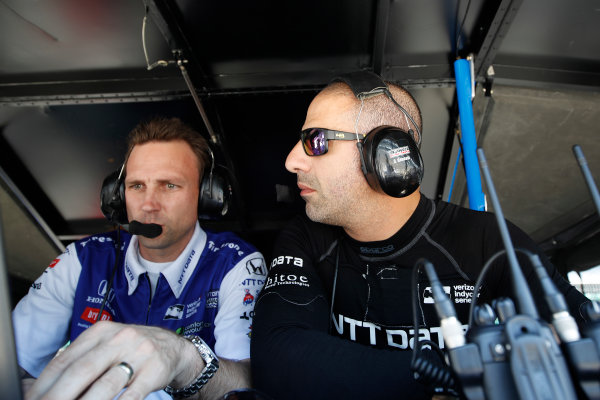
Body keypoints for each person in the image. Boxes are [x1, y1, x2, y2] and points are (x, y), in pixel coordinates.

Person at [250, 71, 590, 400]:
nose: (292, 160)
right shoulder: (306, 236)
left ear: (385, 153)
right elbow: (277, 358)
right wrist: (457, 374)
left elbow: (583, 342)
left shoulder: (487, 239)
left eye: (316, 141)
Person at [13, 117, 267, 400]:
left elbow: (246, 382)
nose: (148, 204)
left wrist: (182, 359)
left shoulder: (235, 263)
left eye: (169, 185)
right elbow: (13, 363)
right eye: (136, 186)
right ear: (118, 197)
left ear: (207, 196)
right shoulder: (85, 258)